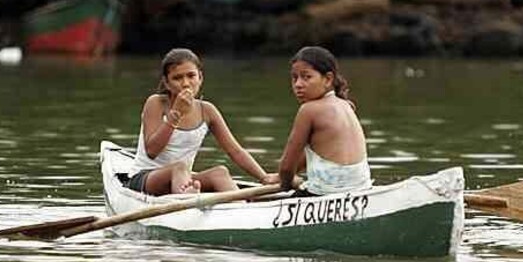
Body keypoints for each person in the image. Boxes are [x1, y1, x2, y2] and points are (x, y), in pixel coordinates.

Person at [126, 48, 277, 194]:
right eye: (177, 78)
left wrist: (263, 177)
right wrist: (176, 113)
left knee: (220, 172)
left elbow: (235, 151)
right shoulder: (156, 103)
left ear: (200, 78)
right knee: (179, 167)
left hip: (183, 178)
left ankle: (241, 209)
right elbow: (152, 151)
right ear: (166, 83)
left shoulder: (207, 110)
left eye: (191, 76)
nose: (186, 83)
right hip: (146, 179)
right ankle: (187, 200)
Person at [278, 46, 372, 195]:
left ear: (328, 79)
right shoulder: (346, 105)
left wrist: (286, 183)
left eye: (306, 77)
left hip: (325, 193)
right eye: (294, 78)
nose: (298, 84)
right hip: (361, 189)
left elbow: (286, 168)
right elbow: (315, 154)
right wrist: (282, 177)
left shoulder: (308, 110)